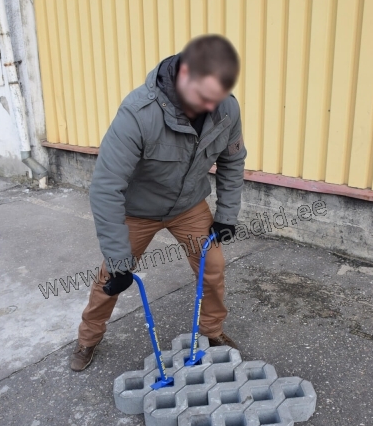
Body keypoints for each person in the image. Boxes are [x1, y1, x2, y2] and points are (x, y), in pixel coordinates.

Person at [71, 34, 247, 371]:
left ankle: (212, 331)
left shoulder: (226, 108)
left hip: (188, 206)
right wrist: (119, 258)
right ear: (184, 75)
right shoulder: (138, 113)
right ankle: (87, 338)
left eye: (217, 98)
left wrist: (227, 214)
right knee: (111, 277)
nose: (211, 108)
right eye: (204, 97)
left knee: (213, 267)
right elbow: (106, 187)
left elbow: (233, 160)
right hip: (138, 212)